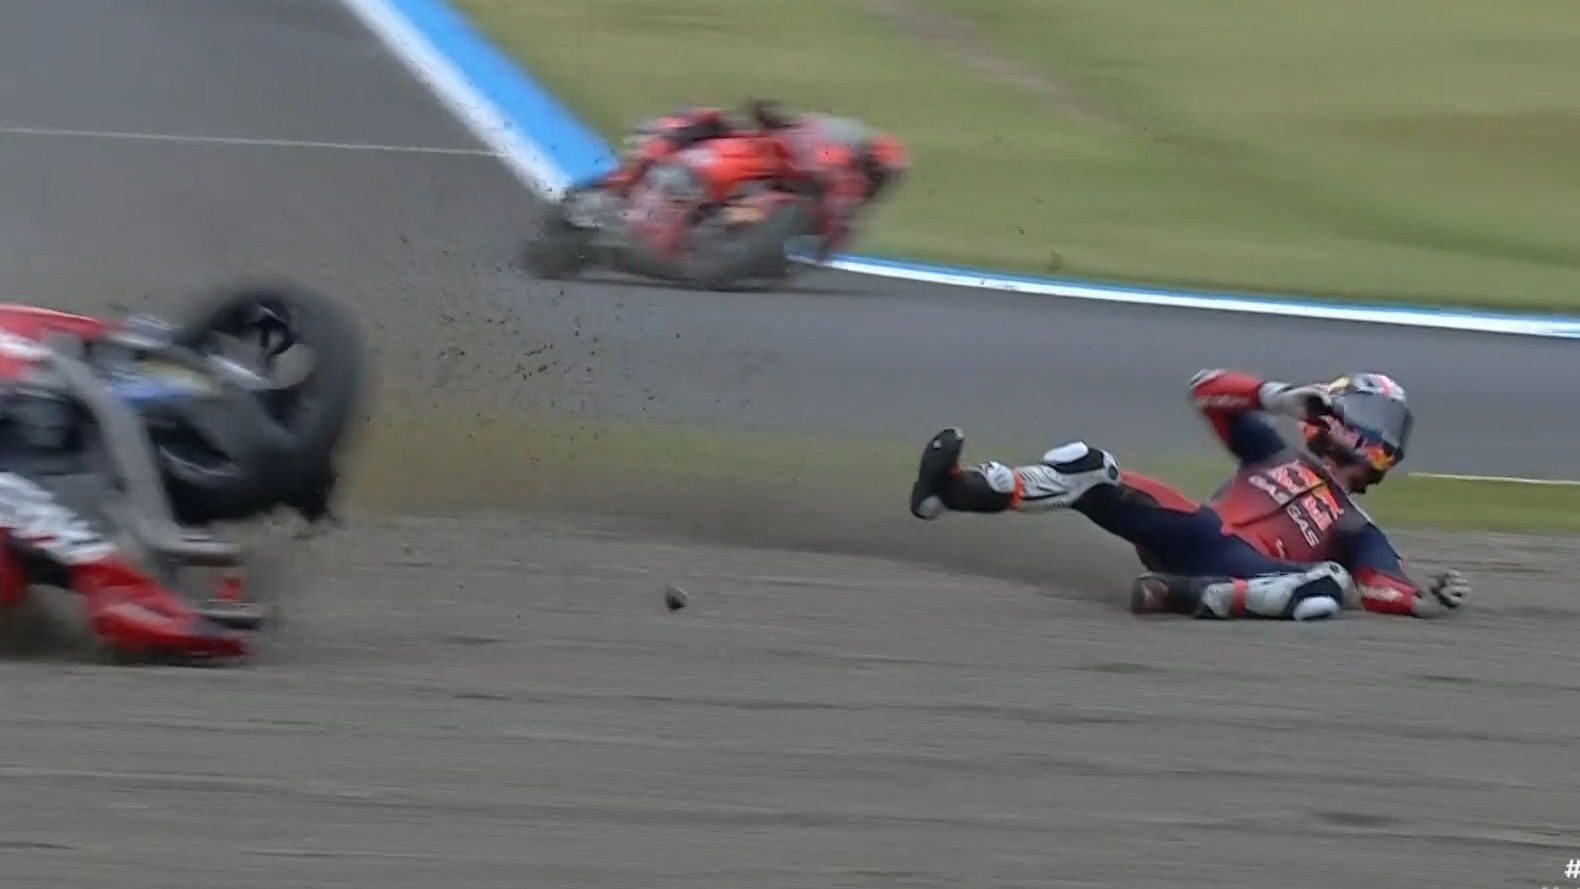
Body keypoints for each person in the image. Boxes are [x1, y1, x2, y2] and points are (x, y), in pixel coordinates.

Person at [907, 369, 1471, 621]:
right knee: (1090, 467)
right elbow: (1205, 389)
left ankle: (1179, 595)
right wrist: (1280, 398)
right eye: (1375, 418)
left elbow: (1385, 587)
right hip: (1199, 532)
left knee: (1332, 584)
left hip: (1252, 568)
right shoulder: (1271, 453)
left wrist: (1423, 600)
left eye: (1390, 429)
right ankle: (953, 490)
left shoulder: (1358, 527)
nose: (1382, 438)